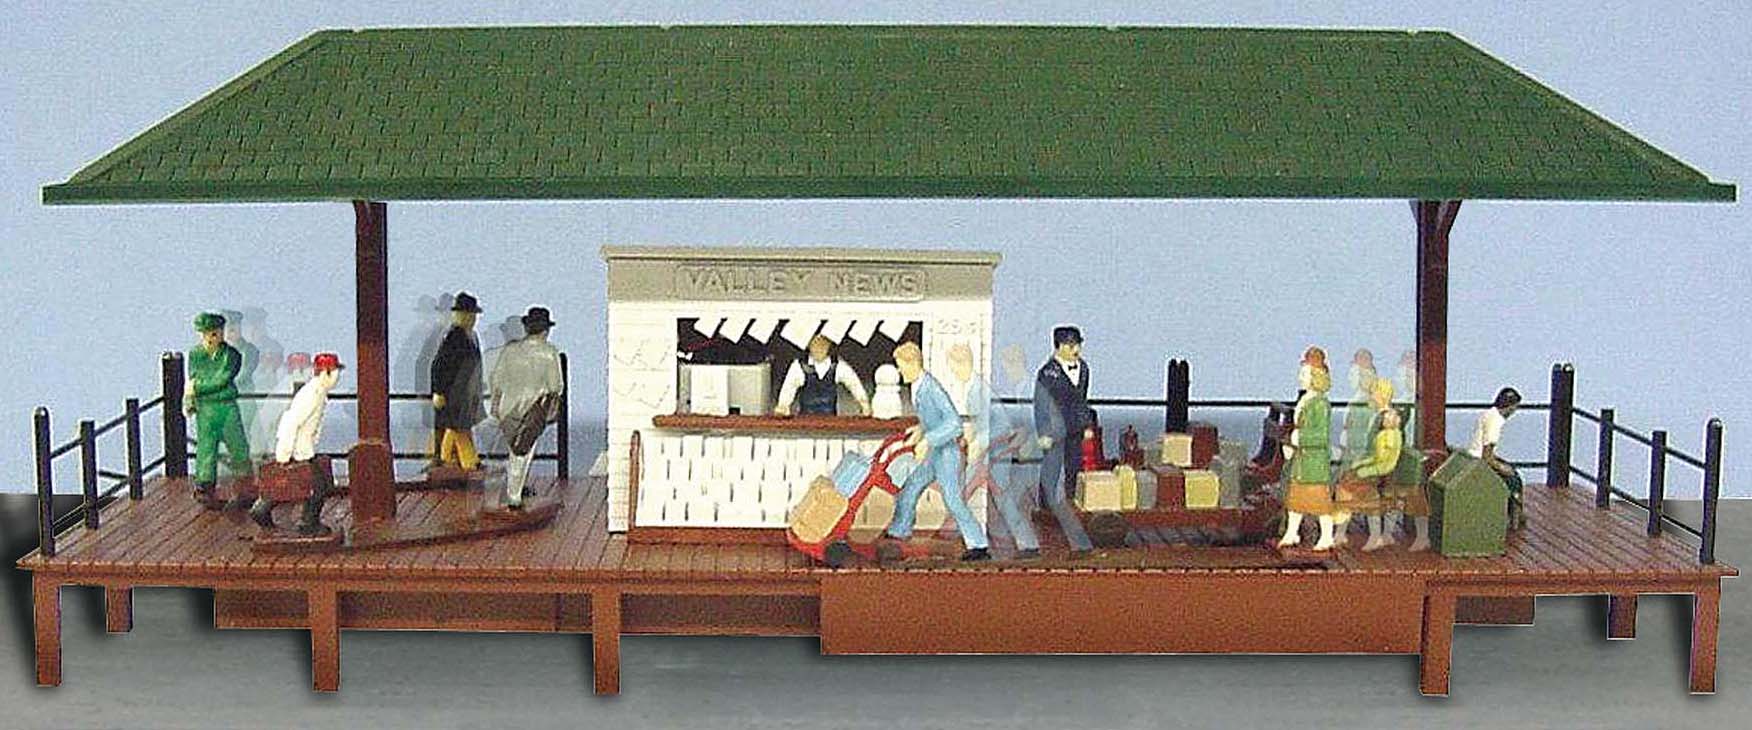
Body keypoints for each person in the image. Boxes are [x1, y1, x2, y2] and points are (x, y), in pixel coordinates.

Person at [881, 342, 990, 561]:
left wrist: (927, 440)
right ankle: (899, 530)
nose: (900, 371)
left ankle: (978, 544)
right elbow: (932, 418)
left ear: (913, 363)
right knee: (911, 487)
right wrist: (920, 430)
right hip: (934, 452)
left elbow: (954, 424)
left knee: (952, 499)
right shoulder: (918, 386)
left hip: (946, 454)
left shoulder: (932, 388)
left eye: (901, 365)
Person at [946, 343, 1040, 560]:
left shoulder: (978, 390)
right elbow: (980, 423)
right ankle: (1025, 543)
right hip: (990, 452)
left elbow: (1000, 426)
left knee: (967, 495)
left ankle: (979, 544)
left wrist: (978, 443)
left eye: (953, 366)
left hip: (994, 454)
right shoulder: (975, 387)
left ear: (962, 364)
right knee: (998, 499)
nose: (953, 371)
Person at [251, 352, 344, 535]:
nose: (337, 377)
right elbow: (291, 422)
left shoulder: (318, 392)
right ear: (325, 373)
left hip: (304, 449)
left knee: (296, 482)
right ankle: (307, 522)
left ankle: (264, 508)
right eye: (334, 372)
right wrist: (284, 453)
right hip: (298, 450)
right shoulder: (312, 394)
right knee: (315, 486)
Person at [489, 307, 565, 509]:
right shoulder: (549, 353)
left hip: (507, 409)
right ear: (545, 330)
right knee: (523, 453)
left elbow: (496, 380)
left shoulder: (510, 350)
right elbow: (555, 386)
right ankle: (514, 496)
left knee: (514, 451)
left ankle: (514, 489)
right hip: (532, 411)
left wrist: (495, 404)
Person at [1031, 326, 1095, 557]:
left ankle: (1070, 500)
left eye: (1078, 344)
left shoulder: (1084, 368)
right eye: (1070, 345)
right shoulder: (1047, 373)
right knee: (1051, 466)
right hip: (1054, 429)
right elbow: (1040, 405)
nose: (1076, 349)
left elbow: (1082, 400)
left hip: (1075, 427)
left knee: (1074, 465)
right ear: (1059, 347)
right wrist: (1043, 432)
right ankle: (1045, 506)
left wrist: (1086, 425)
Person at [186, 312, 253, 508]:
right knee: (206, 448)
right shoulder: (196, 355)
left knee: (238, 446)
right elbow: (193, 376)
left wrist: (197, 388)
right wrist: (191, 394)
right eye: (206, 334)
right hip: (205, 410)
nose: (210, 338)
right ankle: (205, 487)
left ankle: (245, 486)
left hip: (226, 407)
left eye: (214, 333)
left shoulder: (231, 356)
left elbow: (222, 379)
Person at [1278, 347, 1337, 551]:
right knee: (1296, 500)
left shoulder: (1320, 404)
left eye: (1304, 374)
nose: (1300, 377)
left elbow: (1321, 436)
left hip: (1314, 461)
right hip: (1302, 460)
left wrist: (1298, 438)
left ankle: (1327, 536)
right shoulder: (1306, 400)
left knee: (1320, 502)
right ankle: (1292, 532)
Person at [1335, 378, 1402, 552]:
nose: (1371, 396)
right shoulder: (1378, 417)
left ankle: (1368, 534)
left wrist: (1364, 469)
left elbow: (1384, 459)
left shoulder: (1387, 423)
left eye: (1374, 393)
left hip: (1383, 471)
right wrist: (1360, 464)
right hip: (1375, 466)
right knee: (1347, 482)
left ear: (1382, 395)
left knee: (1351, 487)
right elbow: (1373, 453)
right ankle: (1341, 532)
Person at [431, 291, 485, 473]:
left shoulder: (471, 336)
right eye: (468, 314)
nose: (471, 318)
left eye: (472, 315)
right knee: (458, 427)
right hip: (454, 391)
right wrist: (439, 391)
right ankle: (470, 461)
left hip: (465, 391)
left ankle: (445, 458)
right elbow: (439, 365)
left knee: (457, 426)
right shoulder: (454, 337)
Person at [1468, 387, 1526, 529]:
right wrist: (1502, 468)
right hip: (1480, 462)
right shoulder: (1496, 423)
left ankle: (1515, 514)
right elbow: (1487, 457)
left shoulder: (1488, 414)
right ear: (1510, 406)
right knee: (1514, 480)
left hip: (1472, 456)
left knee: (1510, 470)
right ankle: (1515, 516)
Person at [774, 334, 871, 416]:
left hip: (830, 420)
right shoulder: (799, 366)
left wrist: (864, 403)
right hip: (806, 419)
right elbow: (788, 387)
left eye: (823, 344)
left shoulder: (838, 366)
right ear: (808, 344)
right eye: (815, 343)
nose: (819, 348)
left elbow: (854, 384)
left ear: (829, 345)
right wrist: (783, 405)